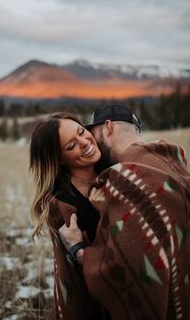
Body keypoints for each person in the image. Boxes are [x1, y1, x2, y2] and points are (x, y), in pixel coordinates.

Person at [59, 104, 190, 320]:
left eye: (90, 133)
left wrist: (78, 250)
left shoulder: (128, 179)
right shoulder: (173, 164)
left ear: (107, 127)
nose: (89, 143)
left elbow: (121, 271)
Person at [29, 112, 111, 320]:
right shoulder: (63, 204)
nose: (84, 142)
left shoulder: (115, 169)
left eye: (81, 131)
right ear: (60, 160)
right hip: (97, 302)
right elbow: (74, 274)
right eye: (71, 146)